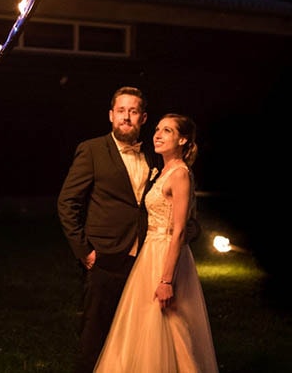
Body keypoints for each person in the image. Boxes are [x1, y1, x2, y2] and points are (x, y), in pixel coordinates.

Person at [93, 113, 219, 373]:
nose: (158, 135)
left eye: (168, 131)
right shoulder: (163, 171)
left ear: (183, 140)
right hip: (149, 252)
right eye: (158, 129)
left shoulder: (181, 174)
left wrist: (166, 280)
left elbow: (181, 230)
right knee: (143, 325)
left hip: (166, 254)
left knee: (171, 325)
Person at [57, 86, 161, 373]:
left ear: (143, 118)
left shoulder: (154, 156)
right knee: (95, 334)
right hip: (104, 256)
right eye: (121, 111)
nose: (126, 117)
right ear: (111, 115)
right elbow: (67, 202)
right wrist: (84, 251)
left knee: (136, 334)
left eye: (133, 111)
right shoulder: (91, 150)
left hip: (143, 258)